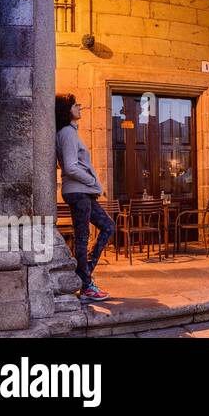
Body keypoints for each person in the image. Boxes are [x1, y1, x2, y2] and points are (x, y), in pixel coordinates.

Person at [56, 94, 115, 302]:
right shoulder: (67, 133)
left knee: (108, 226)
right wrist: (92, 182)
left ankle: (85, 272)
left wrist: (91, 184)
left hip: (82, 192)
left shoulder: (69, 133)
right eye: (75, 104)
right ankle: (86, 285)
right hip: (79, 192)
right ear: (66, 110)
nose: (79, 106)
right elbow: (70, 167)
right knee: (82, 237)